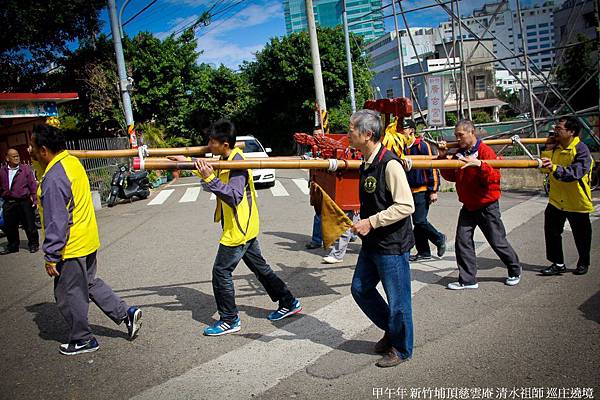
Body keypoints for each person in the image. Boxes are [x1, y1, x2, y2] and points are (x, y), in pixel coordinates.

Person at [29, 124, 142, 355]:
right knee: (89, 283)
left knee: (67, 293)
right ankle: (125, 314)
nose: (27, 150)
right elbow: (44, 173)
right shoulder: (69, 162)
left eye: (31, 146)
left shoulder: (53, 178)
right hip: (87, 238)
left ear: (43, 150)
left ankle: (82, 339)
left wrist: (51, 255)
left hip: (70, 246)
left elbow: (57, 220)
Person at [186, 119, 301, 336]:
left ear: (225, 144)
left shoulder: (236, 163)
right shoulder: (225, 157)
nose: (208, 144)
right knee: (261, 269)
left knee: (221, 272)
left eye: (212, 141)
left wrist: (209, 178)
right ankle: (289, 302)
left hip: (239, 228)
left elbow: (234, 196)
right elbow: (208, 168)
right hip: (244, 225)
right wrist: (186, 160)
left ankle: (229, 319)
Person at [347, 109, 416, 368]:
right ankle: (392, 329)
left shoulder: (390, 164)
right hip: (372, 242)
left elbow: (406, 205)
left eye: (352, 129)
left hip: (392, 244)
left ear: (367, 134)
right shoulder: (366, 162)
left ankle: (401, 348)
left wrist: (371, 221)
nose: (348, 133)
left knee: (398, 301)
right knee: (360, 289)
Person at [438, 119, 522, 289]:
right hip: (468, 206)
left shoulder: (485, 151)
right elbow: (451, 176)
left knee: (497, 240)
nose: (458, 138)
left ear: (471, 133)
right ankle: (467, 279)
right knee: (462, 241)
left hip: (487, 205)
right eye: (456, 135)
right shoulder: (459, 153)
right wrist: (441, 156)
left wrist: (479, 165)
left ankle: (515, 269)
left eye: (460, 135)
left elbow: (495, 178)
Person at [540, 117, 594, 276]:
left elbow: (575, 173)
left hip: (577, 201)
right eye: (555, 128)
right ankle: (558, 263)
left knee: (582, 236)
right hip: (556, 200)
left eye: (559, 128)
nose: (555, 131)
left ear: (571, 132)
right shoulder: (555, 148)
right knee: (552, 232)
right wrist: (548, 149)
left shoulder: (581, 149)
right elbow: (544, 169)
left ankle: (583, 262)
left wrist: (554, 167)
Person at [401, 120, 446, 261]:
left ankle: (439, 238)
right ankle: (424, 252)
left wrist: (433, 190)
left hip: (423, 189)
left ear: (412, 131)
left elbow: (431, 167)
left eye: (404, 129)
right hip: (410, 190)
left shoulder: (422, 145)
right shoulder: (402, 147)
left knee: (419, 221)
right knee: (417, 222)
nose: (402, 132)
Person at [0, 148, 40, 254]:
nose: (17, 158)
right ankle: (13, 246)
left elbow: (32, 185)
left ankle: (33, 244)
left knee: (29, 225)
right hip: (9, 202)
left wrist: (35, 200)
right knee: (10, 226)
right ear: (7, 158)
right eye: (14, 156)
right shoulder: (2, 171)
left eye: (17, 155)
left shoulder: (25, 169)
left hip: (23, 201)